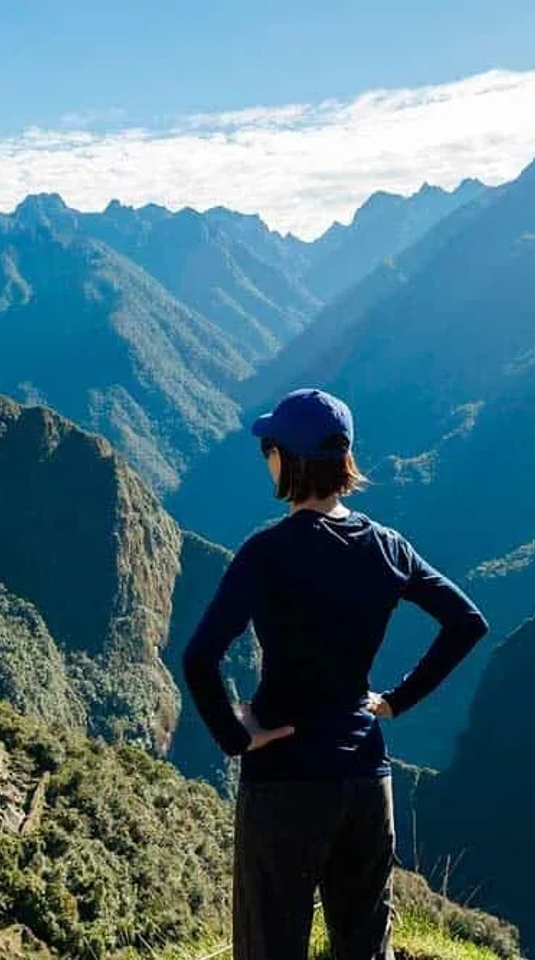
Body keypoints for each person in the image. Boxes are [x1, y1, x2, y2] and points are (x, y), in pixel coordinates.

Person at [181, 388, 489, 960]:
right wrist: (395, 702)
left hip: (285, 778)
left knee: (271, 945)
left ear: (288, 460)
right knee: (365, 947)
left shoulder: (267, 553)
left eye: (268, 448)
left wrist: (236, 736)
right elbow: (466, 622)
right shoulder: (389, 548)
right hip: (367, 778)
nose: (265, 458)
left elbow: (200, 657)